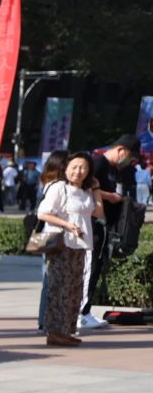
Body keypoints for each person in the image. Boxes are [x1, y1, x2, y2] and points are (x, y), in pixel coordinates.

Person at [37, 152, 100, 348]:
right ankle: (54, 332)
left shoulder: (85, 190)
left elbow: (98, 212)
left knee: (74, 290)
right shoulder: (58, 187)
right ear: (66, 168)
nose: (78, 171)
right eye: (74, 167)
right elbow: (43, 213)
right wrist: (67, 225)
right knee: (60, 289)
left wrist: (96, 189)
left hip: (80, 245)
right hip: (61, 244)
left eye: (83, 168)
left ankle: (67, 330)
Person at [81, 137, 136, 326]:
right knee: (90, 268)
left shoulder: (113, 168)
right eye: (130, 156)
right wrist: (109, 196)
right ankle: (81, 313)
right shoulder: (98, 163)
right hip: (92, 224)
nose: (130, 161)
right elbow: (85, 188)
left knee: (97, 267)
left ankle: (86, 310)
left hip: (103, 225)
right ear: (121, 150)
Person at [31, 150, 69, 332]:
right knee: (51, 281)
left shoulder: (47, 183)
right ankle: (45, 321)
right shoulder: (58, 185)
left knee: (49, 280)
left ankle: (45, 321)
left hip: (46, 235)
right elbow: (45, 213)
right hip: (54, 235)